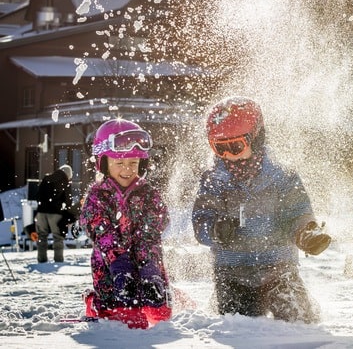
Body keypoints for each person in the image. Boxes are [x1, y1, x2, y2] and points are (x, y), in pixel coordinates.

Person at [192, 96, 331, 323]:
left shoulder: (282, 175)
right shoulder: (214, 180)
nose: (229, 156)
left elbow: (297, 212)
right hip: (232, 272)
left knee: (300, 322)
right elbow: (201, 220)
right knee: (241, 327)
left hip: (279, 269)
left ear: (256, 138)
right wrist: (215, 229)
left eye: (236, 146)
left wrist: (305, 232)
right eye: (220, 148)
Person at [79, 119, 172, 329]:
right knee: (125, 316)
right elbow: (99, 230)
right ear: (103, 163)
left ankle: (154, 290)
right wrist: (118, 262)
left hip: (146, 261)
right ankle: (97, 303)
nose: (127, 169)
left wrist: (149, 266)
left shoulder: (149, 194)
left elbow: (153, 228)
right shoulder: (97, 195)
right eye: (119, 163)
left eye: (133, 163)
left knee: (159, 316)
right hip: (110, 266)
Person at [35, 164, 73, 263]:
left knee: (42, 236)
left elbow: (38, 195)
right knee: (58, 237)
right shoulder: (65, 182)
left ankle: (41, 260)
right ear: (68, 174)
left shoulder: (46, 178)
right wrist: (66, 213)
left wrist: (42, 205)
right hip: (55, 213)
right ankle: (58, 260)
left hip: (41, 212)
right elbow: (68, 201)